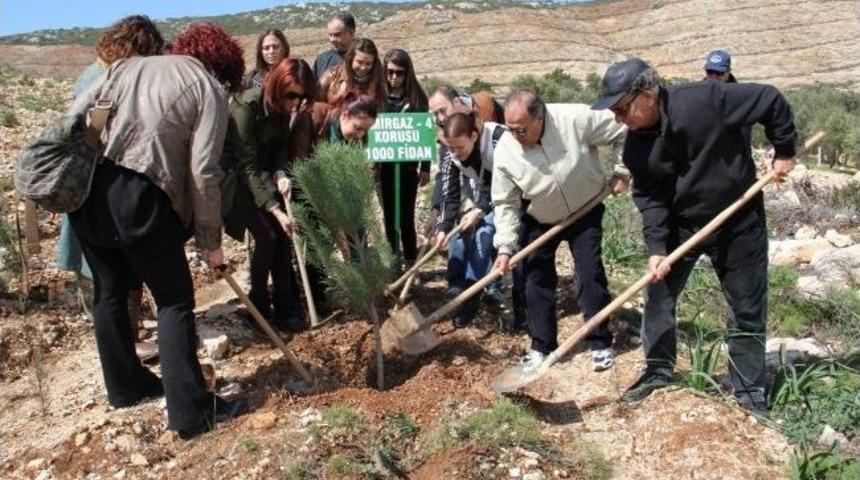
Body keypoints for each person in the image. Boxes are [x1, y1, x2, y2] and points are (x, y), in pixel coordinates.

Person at [67, 22, 248, 440]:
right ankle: (191, 412)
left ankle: (126, 387)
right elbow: (204, 172)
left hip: (89, 195)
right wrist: (210, 241)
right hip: (140, 197)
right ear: (221, 65)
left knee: (109, 292)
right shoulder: (206, 85)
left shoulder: (122, 68)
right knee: (174, 300)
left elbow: (77, 122)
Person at [591, 58, 797, 414]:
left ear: (649, 94)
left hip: (737, 218)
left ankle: (749, 392)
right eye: (613, 111)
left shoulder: (706, 99)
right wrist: (657, 248)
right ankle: (657, 370)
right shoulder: (635, 147)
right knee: (658, 295)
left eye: (622, 108)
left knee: (746, 307)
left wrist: (785, 150)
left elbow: (770, 100)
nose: (618, 119)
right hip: (681, 223)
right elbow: (650, 198)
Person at [492, 89, 628, 372]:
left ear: (540, 117)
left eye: (521, 129)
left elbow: (622, 127)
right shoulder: (506, 148)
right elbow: (504, 201)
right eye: (510, 128)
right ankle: (541, 346)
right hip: (539, 217)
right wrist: (505, 246)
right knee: (535, 279)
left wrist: (622, 169)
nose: (515, 135)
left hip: (585, 208)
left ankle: (599, 340)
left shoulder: (574, 117)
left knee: (590, 273)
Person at [55, 15, 164, 361]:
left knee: (114, 281)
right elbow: (95, 133)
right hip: (102, 187)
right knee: (112, 283)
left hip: (98, 187)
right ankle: (125, 352)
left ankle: (126, 348)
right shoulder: (102, 78)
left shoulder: (99, 72)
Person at [223, 58, 316, 338]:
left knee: (282, 239)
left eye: (301, 96)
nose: (296, 102)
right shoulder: (247, 106)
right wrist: (276, 209)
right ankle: (258, 309)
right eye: (290, 95)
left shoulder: (283, 112)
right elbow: (246, 165)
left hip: (262, 178)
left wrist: (280, 174)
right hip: (235, 181)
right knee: (268, 237)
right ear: (276, 87)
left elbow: (278, 149)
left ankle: (287, 309)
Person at [435, 112, 509, 327]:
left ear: (474, 136)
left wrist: (481, 209)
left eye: (460, 147)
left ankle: (471, 298)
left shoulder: (496, 144)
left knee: (485, 236)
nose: (455, 153)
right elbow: (450, 195)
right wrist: (443, 228)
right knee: (463, 232)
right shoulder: (452, 155)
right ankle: (464, 292)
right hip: (485, 193)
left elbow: (500, 185)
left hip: (514, 193)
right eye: (451, 148)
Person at [379, 49, 430, 268]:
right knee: (390, 218)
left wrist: (425, 167)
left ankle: (411, 264)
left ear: (407, 73)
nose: (394, 77)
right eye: (389, 72)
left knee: (407, 217)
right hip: (385, 167)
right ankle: (393, 263)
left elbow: (425, 136)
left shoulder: (417, 99)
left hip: (408, 167)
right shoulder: (379, 98)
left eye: (399, 73)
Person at [316, 37, 385, 109]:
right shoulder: (332, 75)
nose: (363, 68)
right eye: (359, 62)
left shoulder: (378, 80)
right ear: (351, 59)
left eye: (368, 64)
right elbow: (315, 104)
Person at [313, 11, 356, 79]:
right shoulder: (321, 61)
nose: (332, 40)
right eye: (330, 35)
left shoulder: (365, 60)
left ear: (351, 33)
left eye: (337, 35)